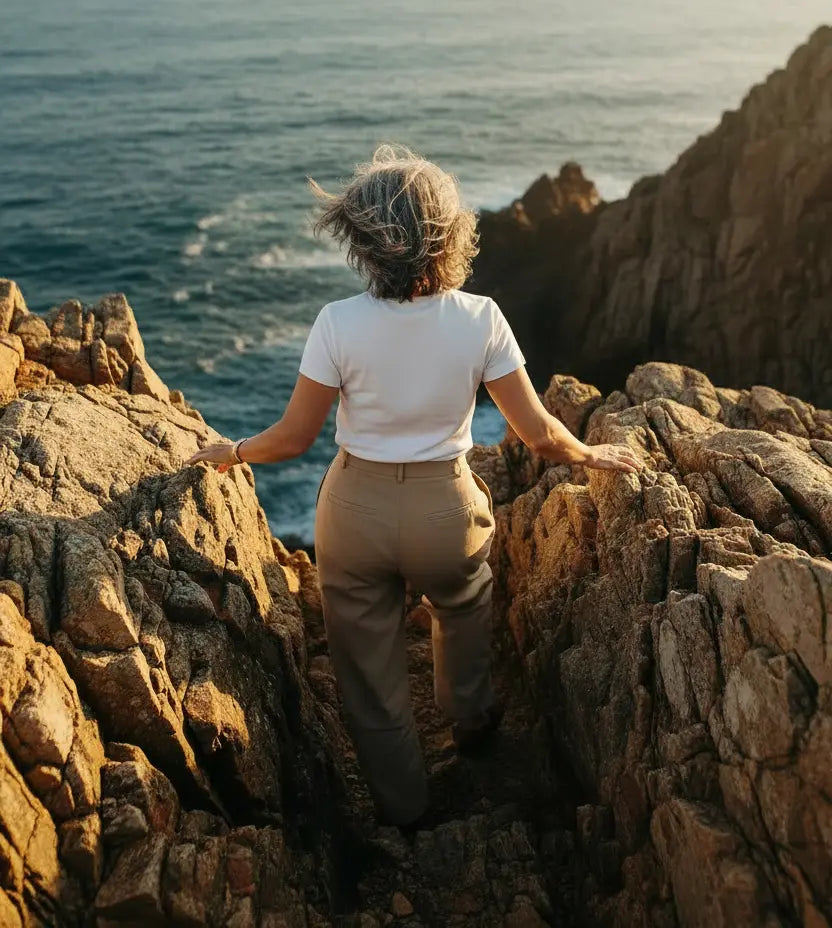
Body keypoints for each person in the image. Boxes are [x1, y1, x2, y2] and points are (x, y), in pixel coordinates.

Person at [187, 144, 641, 829]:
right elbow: (541, 434)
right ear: (450, 234)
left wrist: (234, 451)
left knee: (368, 674)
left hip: (354, 510)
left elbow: (294, 438)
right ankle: (470, 719)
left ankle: (405, 810)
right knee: (463, 608)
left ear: (365, 240)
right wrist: (590, 453)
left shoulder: (337, 323)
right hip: (445, 509)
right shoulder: (481, 318)